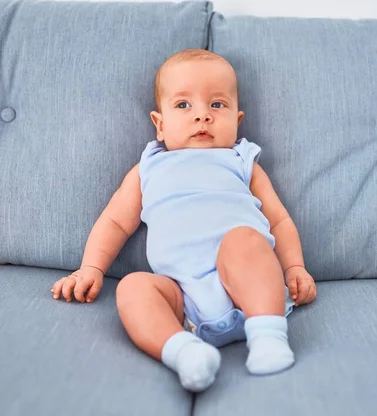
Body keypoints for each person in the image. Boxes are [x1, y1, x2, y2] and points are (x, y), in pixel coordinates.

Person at [50, 49, 317, 392]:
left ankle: (268, 337)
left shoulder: (242, 160)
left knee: (244, 240)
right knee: (133, 287)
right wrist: (91, 269)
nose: (202, 116)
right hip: (182, 302)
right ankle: (182, 352)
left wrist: (295, 267)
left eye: (217, 105)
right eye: (183, 105)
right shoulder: (148, 168)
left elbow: (278, 221)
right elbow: (116, 221)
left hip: (250, 291)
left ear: (237, 120)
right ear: (159, 124)